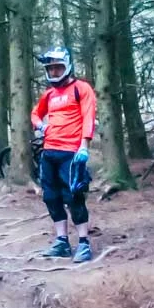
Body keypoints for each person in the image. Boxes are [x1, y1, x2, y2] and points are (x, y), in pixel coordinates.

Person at [31, 46, 98, 263]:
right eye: (51, 70)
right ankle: (61, 241)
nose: (54, 73)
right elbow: (35, 114)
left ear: (67, 67)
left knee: (74, 197)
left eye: (58, 68)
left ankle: (84, 243)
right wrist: (41, 127)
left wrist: (84, 146)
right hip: (49, 152)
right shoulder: (48, 95)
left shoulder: (82, 88)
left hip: (71, 152)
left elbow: (88, 117)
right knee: (51, 197)